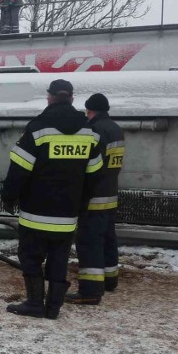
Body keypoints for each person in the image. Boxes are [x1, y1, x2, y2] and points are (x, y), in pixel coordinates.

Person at [1, 79, 104, 320]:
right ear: (71, 98)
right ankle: (53, 307)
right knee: (59, 258)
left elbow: (19, 169)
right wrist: (82, 202)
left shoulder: (38, 128)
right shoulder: (89, 132)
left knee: (31, 257)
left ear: (49, 98)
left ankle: (35, 303)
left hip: (35, 212)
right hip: (67, 215)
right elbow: (95, 173)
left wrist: (9, 196)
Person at [66, 93, 125, 305]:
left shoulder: (96, 131)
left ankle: (90, 290)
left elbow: (90, 165)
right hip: (110, 194)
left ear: (90, 111)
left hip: (94, 196)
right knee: (108, 238)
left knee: (89, 242)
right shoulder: (116, 129)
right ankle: (110, 280)